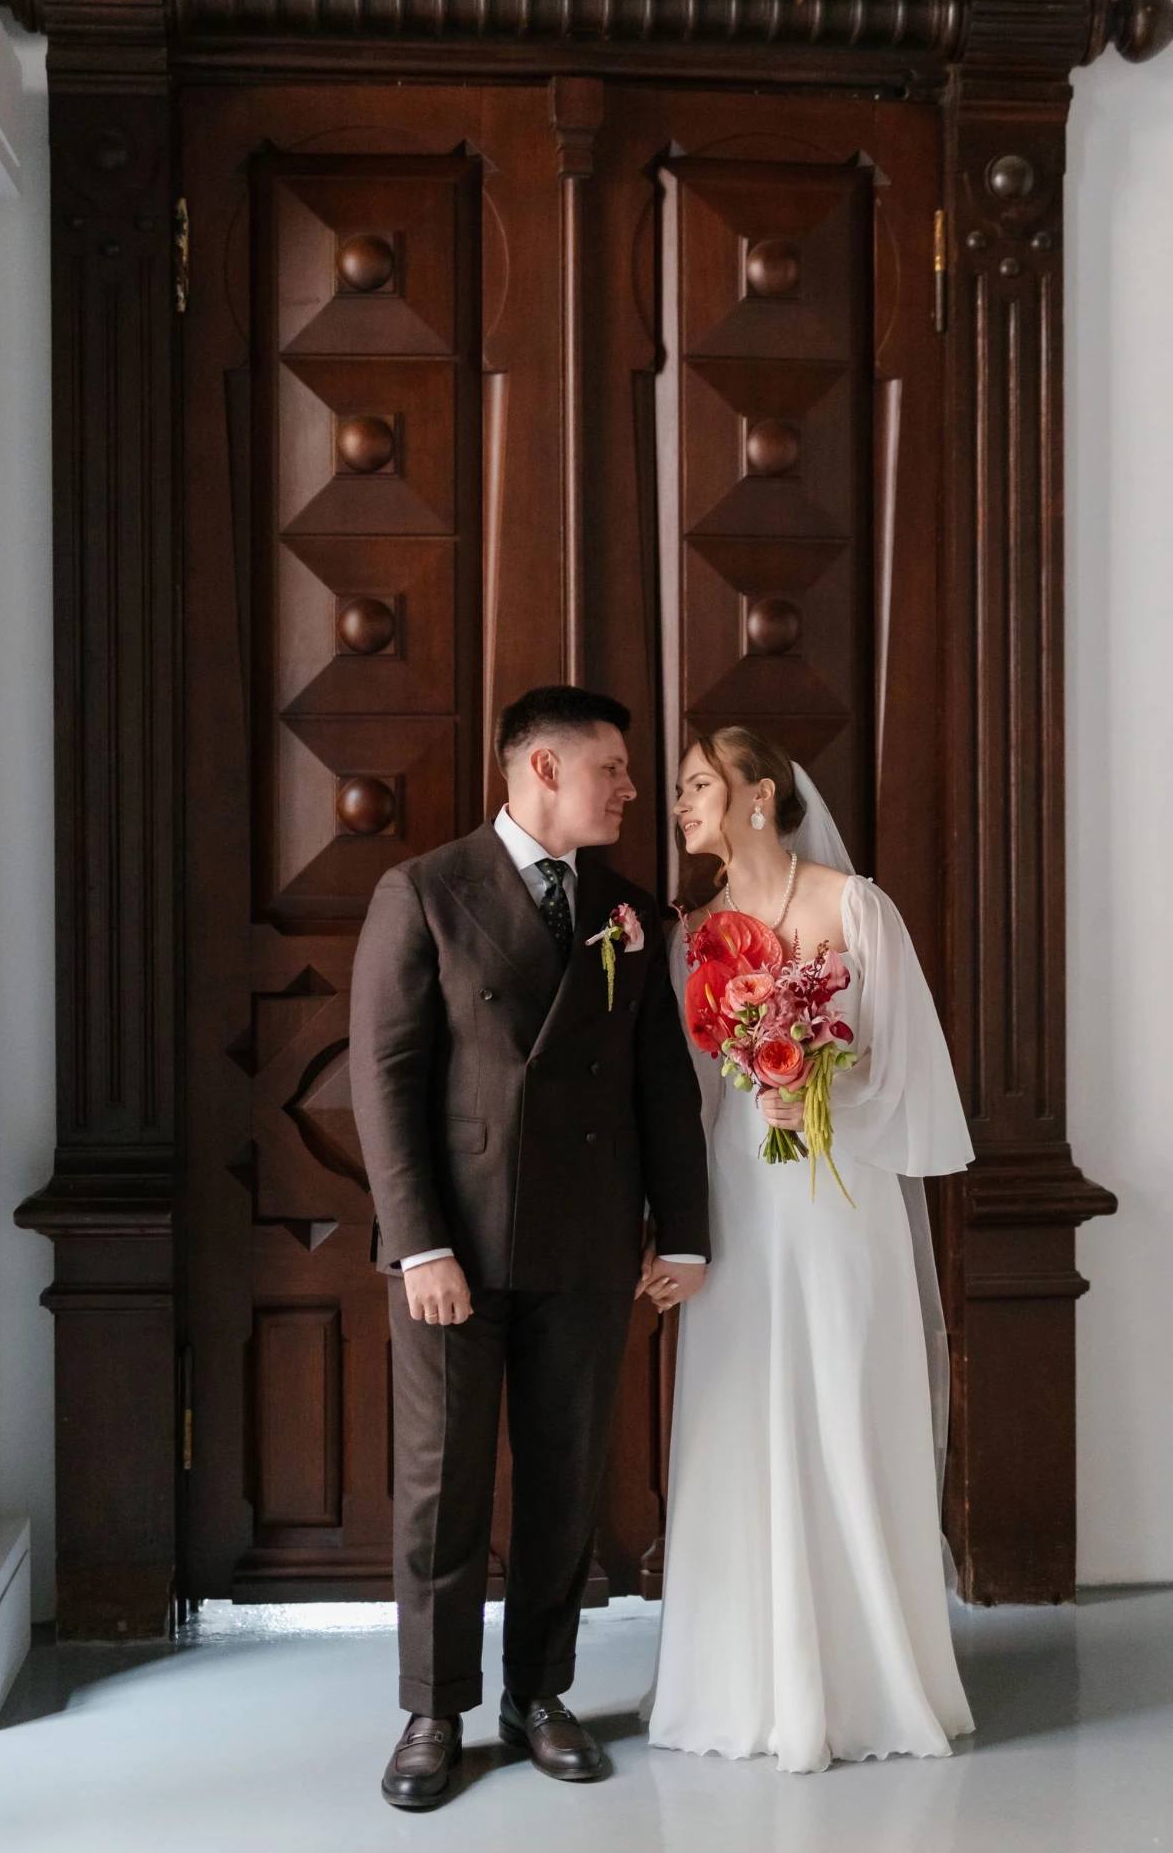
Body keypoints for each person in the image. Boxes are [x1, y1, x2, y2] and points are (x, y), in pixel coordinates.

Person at [349, 685, 710, 1810]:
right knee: (441, 1484)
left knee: (566, 1479)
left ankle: (538, 1694)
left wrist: (685, 1232)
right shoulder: (424, 890)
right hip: (455, 1251)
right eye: (613, 768)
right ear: (543, 768)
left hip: (589, 1242)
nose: (632, 789)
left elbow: (662, 1085)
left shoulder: (627, 907)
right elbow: (385, 1082)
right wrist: (419, 1247)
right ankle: (432, 1710)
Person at [641, 726, 975, 1773]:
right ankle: (743, 1683)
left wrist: (819, 1086)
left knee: (841, 1397)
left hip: (837, 1193)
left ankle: (870, 1681)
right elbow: (687, 1100)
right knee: (742, 1406)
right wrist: (675, 1226)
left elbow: (910, 1069)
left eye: (697, 784)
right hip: (739, 1199)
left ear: (758, 795)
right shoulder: (692, 933)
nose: (680, 804)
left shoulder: (853, 907)